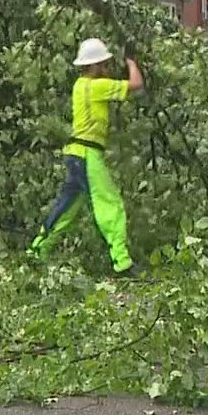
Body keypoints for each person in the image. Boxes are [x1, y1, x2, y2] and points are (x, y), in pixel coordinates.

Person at [29, 38, 143, 276]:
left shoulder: (80, 85)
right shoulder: (96, 87)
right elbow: (136, 84)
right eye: (104, 64)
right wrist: (132, 62)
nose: (107, 69)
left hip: (75, 154)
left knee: (66, 209)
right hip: (88, 154)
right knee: (110, 204)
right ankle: (122, 263)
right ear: (95, 66)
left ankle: (37, 251)